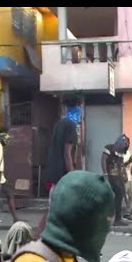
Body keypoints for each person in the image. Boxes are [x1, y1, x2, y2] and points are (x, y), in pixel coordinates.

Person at [36, 97, 82, 235]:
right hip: (63, 176)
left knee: (54, 207)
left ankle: (39, 235)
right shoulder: (71, 126)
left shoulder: (60, 123)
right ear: (78, 108)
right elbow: (67, 153)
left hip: (55, 174)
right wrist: (72, 175)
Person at [102, 135, 129, 226]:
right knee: (115, 196)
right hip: (111, 177)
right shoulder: (109, 148)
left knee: (120, 196)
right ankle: (115, 219)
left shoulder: (121, 151)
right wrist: (105, 174)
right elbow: (103, 160)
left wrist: (124, 174)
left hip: (119, 177)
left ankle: (118, 218)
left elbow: (121, 164)